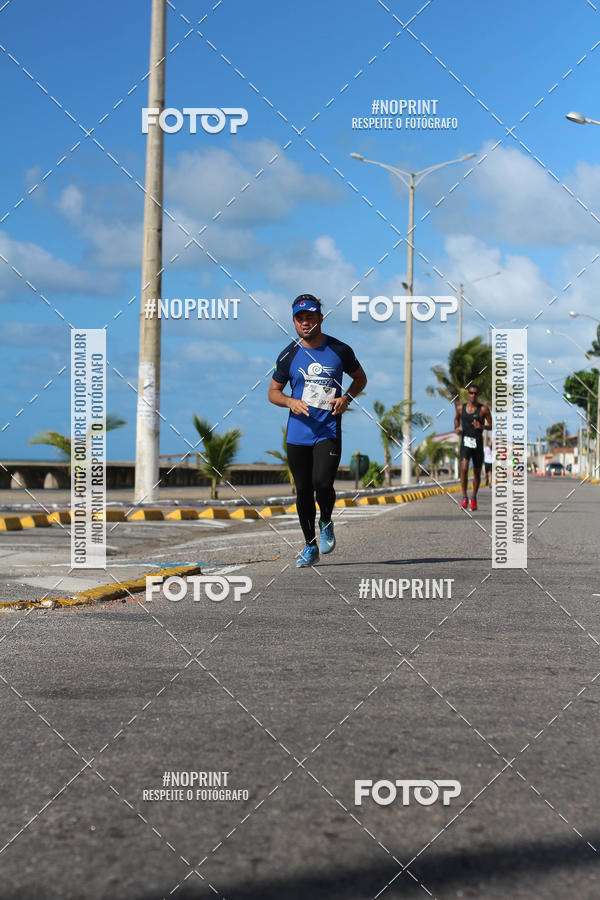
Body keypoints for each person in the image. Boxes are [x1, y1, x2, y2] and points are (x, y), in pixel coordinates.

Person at [268, 294, 367, 567]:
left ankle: (326, 521)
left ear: (320, 318)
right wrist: (290, 401)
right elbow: (273, 392)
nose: (305, 322)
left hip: (328, 430)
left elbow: (360, 378)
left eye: (310, 316)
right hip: (299, 432)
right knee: (302, 490)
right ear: (294, 322)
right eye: (300, 318)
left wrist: (346, 398)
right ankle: (309, 545)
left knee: (322, 483)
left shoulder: (340, 350)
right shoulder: (289, 354)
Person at [453, 385, 492, 511]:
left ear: (478, 395)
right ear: (468, 394)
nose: (473, 395)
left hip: (478, 444)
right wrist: (457, 428)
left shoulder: (483, 409)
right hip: (465, 443)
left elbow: (492, 425)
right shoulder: (460, 408)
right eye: (471, 393)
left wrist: (482, 427)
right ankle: (464, 497)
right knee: (464, 469)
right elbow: (456, 419)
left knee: (476, 474)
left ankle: (473, 498)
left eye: (475, 393)